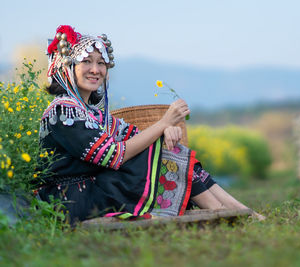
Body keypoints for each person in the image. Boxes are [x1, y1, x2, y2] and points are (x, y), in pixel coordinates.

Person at [37, 25, 264, 224]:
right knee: (164, 156)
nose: (96, 70)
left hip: (94, 187)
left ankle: (240, 212)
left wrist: (166, 130)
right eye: (86, 62)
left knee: (170, 150)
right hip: (71, 198)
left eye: (101, 63)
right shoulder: (62, 112)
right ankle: (223, 214)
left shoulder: (93, 114)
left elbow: (137, 135)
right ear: (66, 67)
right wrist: (165, 122)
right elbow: (112, 155)